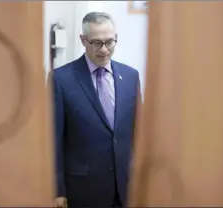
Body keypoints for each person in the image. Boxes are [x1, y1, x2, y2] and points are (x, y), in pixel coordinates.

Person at [48, 11, 141, 208]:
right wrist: (57, 190)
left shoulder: (131, 76)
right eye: (97, 43)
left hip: (126, 188)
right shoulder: (61, 80)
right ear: (83, 40)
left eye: (110, 42)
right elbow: (52, 140)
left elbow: (139, 134)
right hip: (83, 190)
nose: (105, 49)